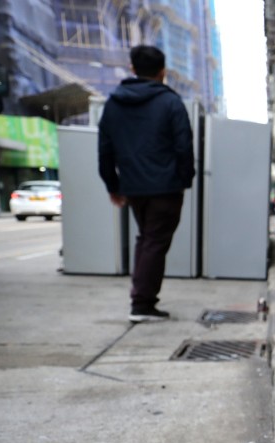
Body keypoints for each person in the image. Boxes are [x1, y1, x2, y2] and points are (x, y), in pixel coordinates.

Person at [98, 45, 194, 323]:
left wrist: (113, 185)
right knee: (154, 242)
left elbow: (105, 149)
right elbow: (184, 146)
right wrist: (184, 179)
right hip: (165, 188)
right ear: (163, 72)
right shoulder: (170, 102)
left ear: (133, 70)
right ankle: (142, 304)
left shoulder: (114, 104)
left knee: (146, 239)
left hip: (133, 188)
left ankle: (142, 299)